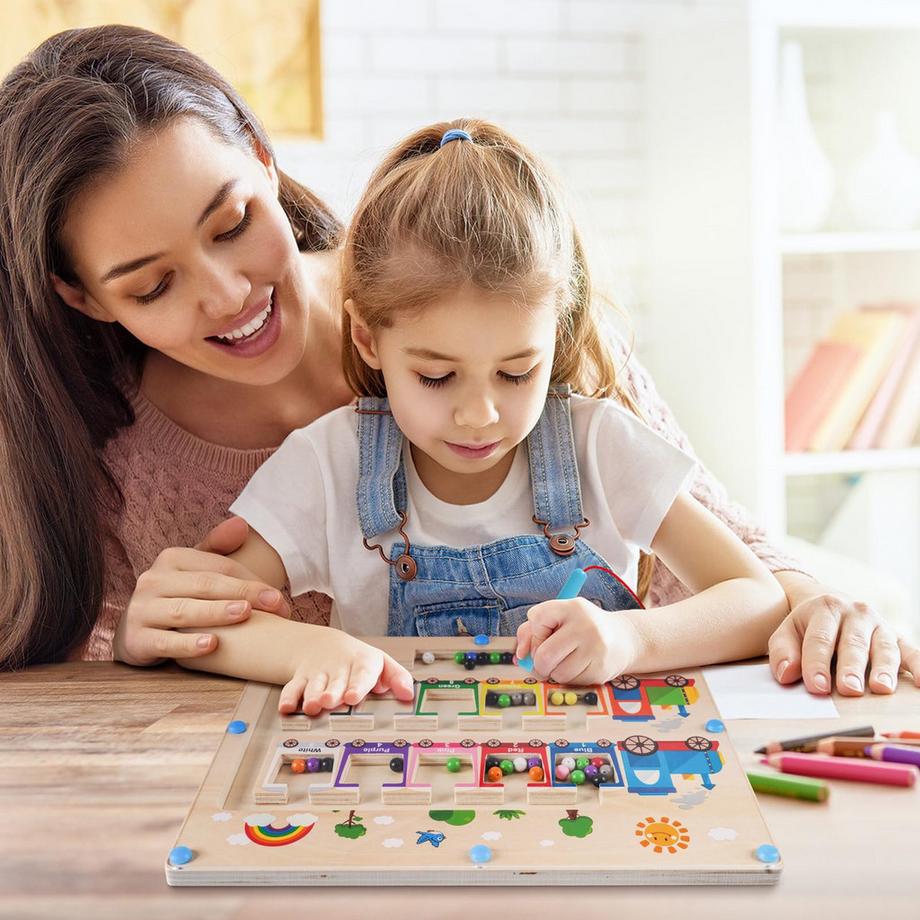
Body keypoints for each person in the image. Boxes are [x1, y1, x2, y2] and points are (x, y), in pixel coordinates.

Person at [0, 27, 915, 703]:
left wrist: (818, 607)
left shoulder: (481, 293)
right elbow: (117, 679)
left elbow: (739, 571)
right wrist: (144, 639)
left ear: (264, 158)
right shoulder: (111, 454)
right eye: (153, 285)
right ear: (83, 297)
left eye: (234, 222)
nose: (227, 292)